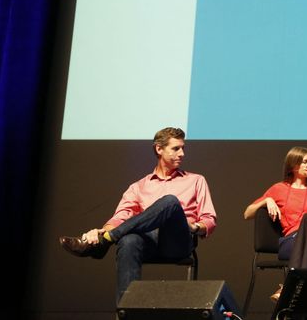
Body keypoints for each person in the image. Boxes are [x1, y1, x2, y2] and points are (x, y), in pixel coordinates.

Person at [58, 127, 217, 303]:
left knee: (170, 201)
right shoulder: (138, 187)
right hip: (149, 242)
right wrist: (101, 231)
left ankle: (107, 240)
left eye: (183, 148)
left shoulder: (196, 180)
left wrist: (194, 226)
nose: (182, 154)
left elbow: (209, 220)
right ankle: (127, 309)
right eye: (176, 148)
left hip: (177, 241)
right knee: (128, 240)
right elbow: (120, 217)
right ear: (159, 149)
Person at [244, 146, 307, 300]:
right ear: (293, 166)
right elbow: (247, 213)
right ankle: (296, 290)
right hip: (291, 241)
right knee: (305, 243)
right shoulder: (279, 189)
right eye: (305, 161)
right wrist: (267, 200)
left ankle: (288, 288)